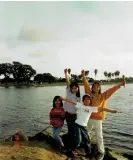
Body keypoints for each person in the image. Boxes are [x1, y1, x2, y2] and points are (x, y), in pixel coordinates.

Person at [81, 70, 126, 160]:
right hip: (89, 118)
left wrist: (120, 84)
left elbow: (112, 90)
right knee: (86, 133)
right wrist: (83, 76)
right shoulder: (89, 93)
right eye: (94, 86)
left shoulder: (103, 96)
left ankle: (101, 152)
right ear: (92, 87)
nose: (96, 88)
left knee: (99, 136)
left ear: (99, 88)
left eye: (98, 86)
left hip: (98, 119)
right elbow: (86, 84)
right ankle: (87, 147)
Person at [63, 68, 81, 151]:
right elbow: (68, 82)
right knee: (70, 130)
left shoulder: (79, 97)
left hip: (75, 116)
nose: (74, 89)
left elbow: (80, 107)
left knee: (74, 131)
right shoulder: (68, 92)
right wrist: (66, 74)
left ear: (78, 88)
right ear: (70, 88)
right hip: (68, 115)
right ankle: (69, 145)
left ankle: (73, 146)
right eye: (73, 88)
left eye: (75, 88)